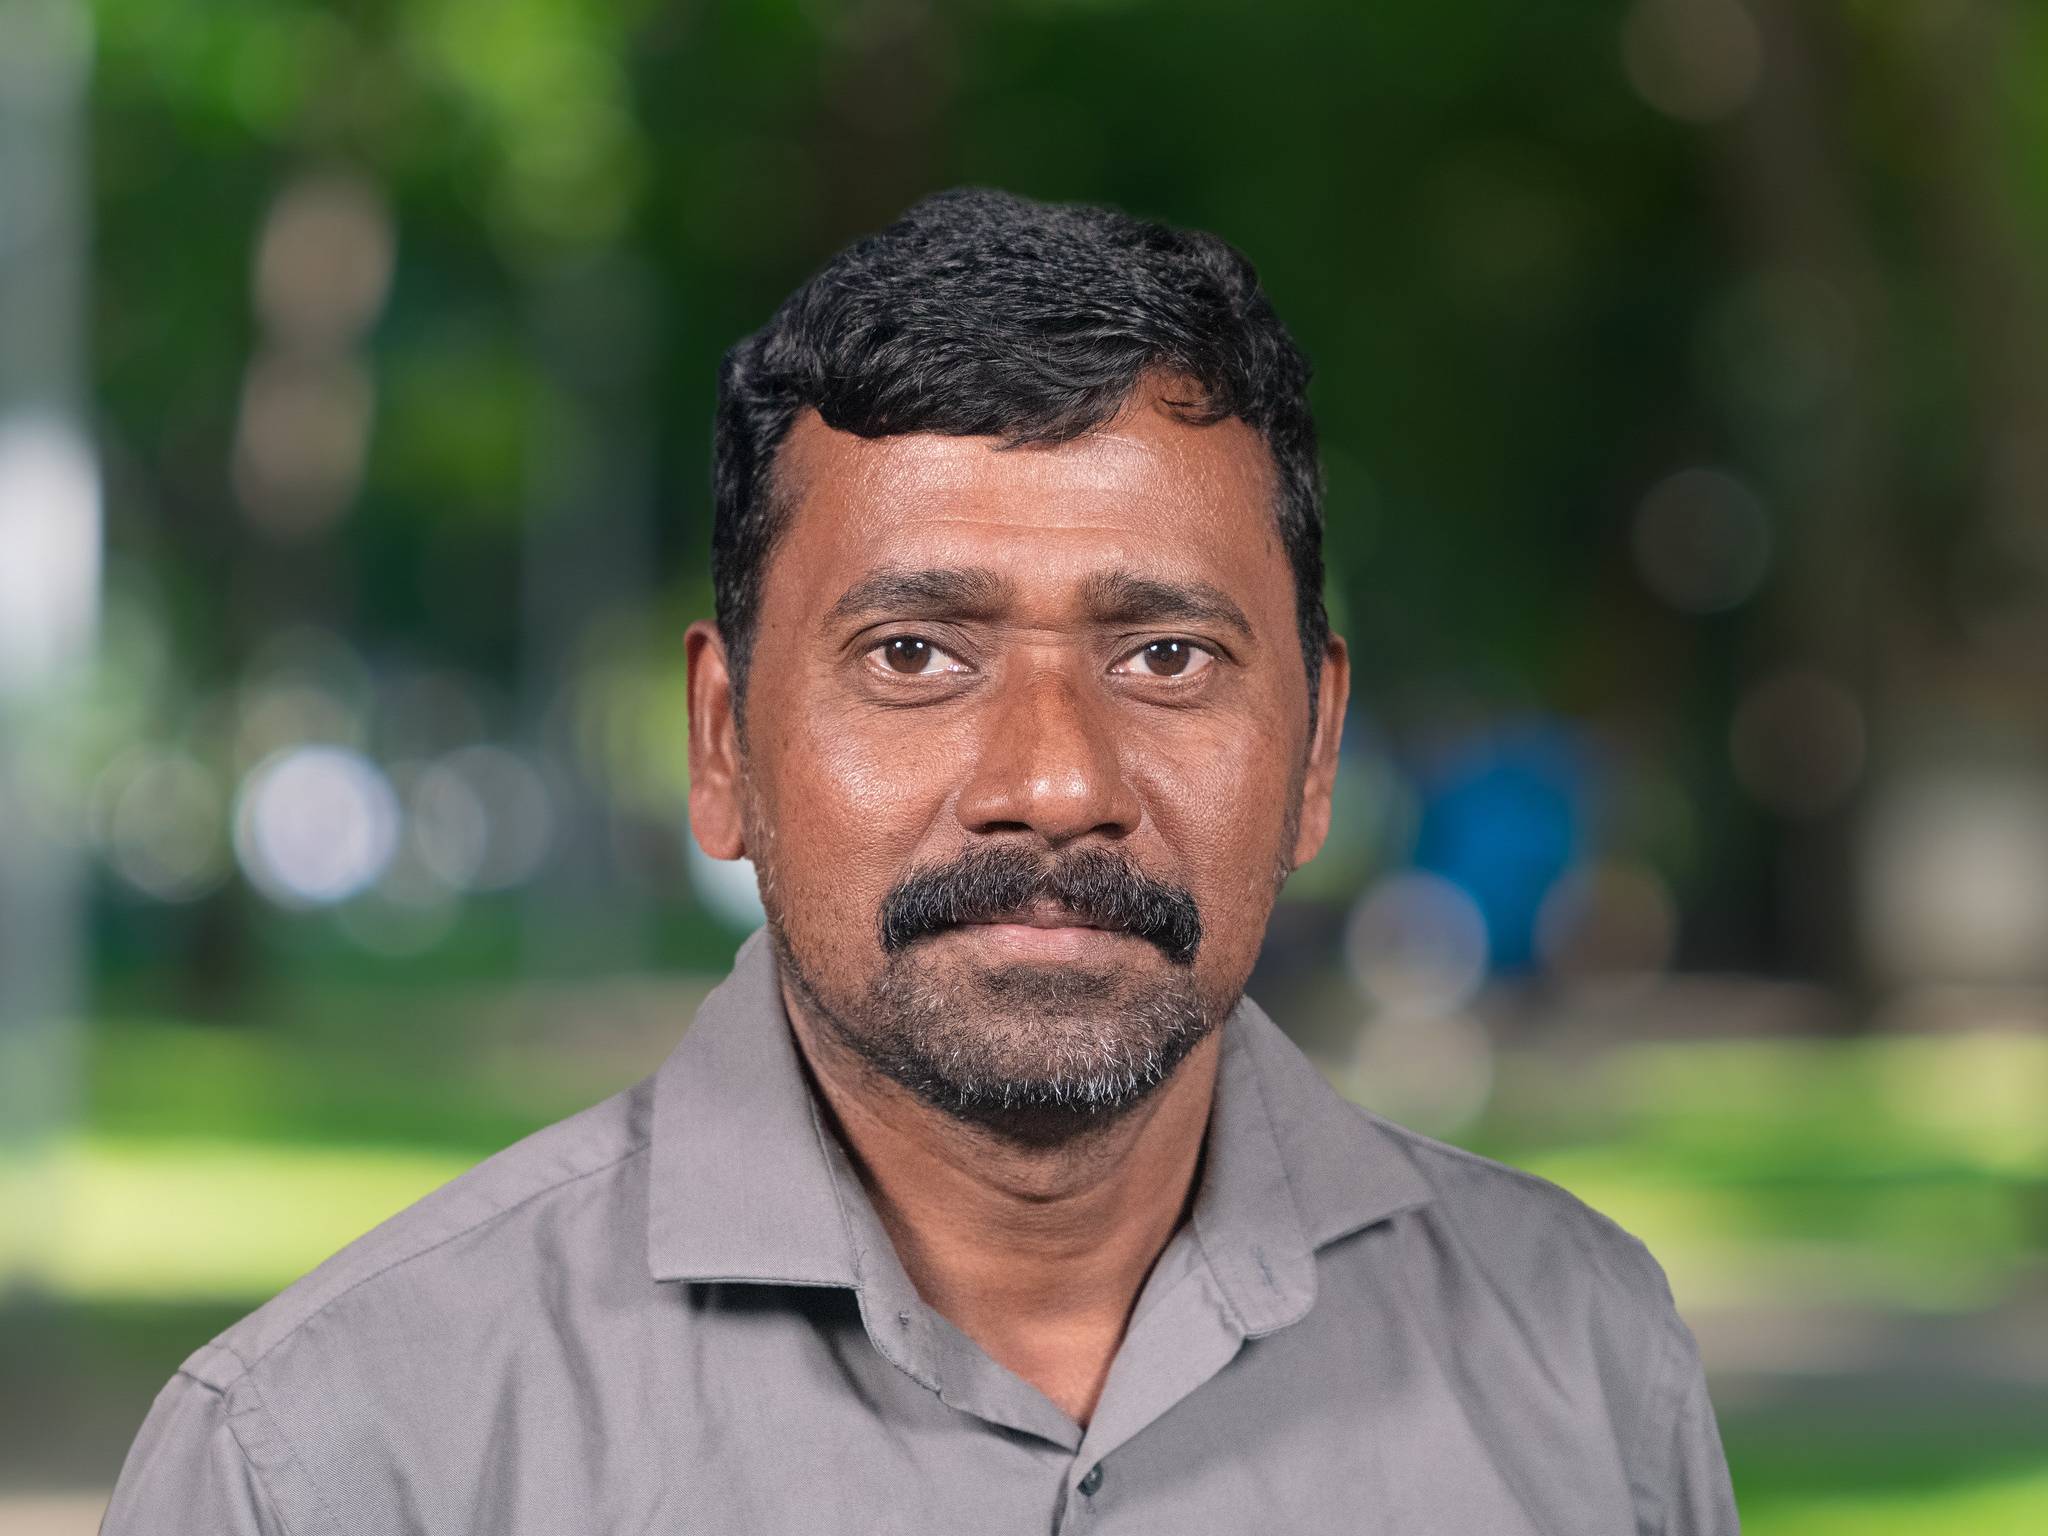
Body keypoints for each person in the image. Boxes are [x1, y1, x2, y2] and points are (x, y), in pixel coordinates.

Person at [103, 189, 1739, 1534]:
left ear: (1314, 755)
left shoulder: (1583, 1366)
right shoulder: (331, 1461)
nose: (1052, 782)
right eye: (913, 656)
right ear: (722, 743)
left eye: (1165, 657)